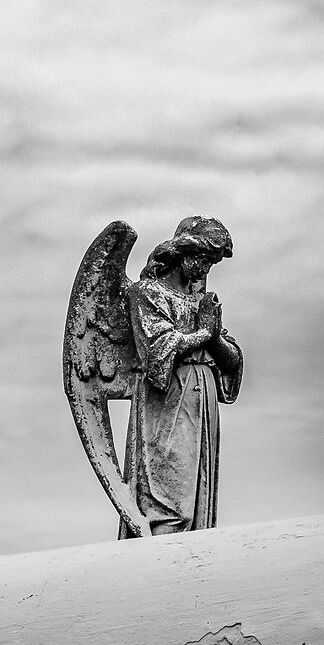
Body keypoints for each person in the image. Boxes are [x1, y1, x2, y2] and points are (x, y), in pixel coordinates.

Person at [122, 216, 242, 535]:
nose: (205, 269)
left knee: (198, 502)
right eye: (203, 258)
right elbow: (158, 351)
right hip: (170, 400)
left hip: (203, 398)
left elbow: (230, 360)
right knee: (170, 502)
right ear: (183, 252)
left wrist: (213, 336)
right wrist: (205, 332)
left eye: (211, 263)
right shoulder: (147, 292)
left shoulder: (200, 301)